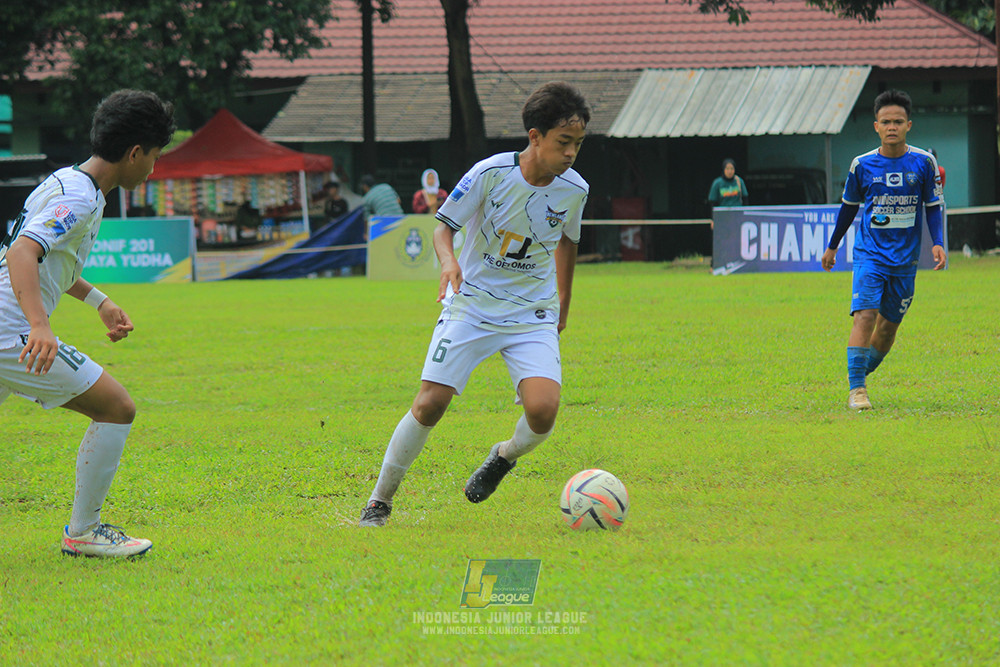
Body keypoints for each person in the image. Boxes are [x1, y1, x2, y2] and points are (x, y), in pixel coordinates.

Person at [359, 81, 590, 527]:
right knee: (430, 403)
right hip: (472, 305)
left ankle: (503, 456)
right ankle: (380, 500)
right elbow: (443, 227)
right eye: (564, 142)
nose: (571, 154)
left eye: (578, 145)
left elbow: (568, 241)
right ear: (535, 136)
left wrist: (564, 301)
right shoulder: (490, 174)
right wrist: (448, 263)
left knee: (543, 412)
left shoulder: (575, 189)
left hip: (531, 313)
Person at [0, 89, 175, 556]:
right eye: (154, 158)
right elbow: (21, 253)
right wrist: (39, 325)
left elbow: (49, 258)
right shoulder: (80, 198)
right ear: (134, 153)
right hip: (8, 328)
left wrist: (98, 300)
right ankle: (83, 532)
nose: (153, 169)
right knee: (117, 407)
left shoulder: (68, 181)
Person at [821, 89, 945, 411]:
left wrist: (939, 243)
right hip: (870, 254)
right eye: (886, 121)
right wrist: (832, 247)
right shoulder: (861, 165)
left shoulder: (924, 163)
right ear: (876, 125)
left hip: (905, 260)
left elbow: (933, 207)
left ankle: (858, 372)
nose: (892, 127)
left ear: (909, 125)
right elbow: (848, 209)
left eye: (898, 122)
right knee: (865, 316)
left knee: (887, 329)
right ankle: (858, 390)